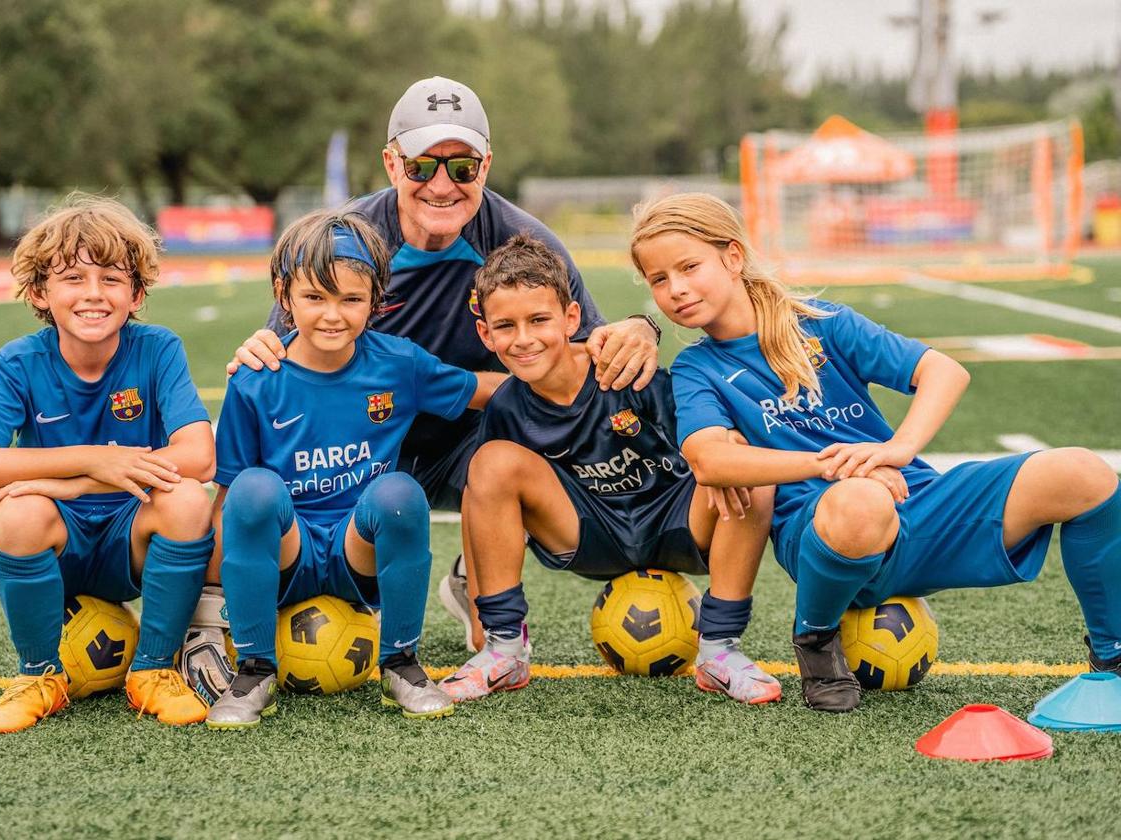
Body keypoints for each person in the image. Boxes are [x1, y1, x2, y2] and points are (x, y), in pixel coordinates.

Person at [629, 192, 1121, 713]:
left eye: (689, 267)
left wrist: (897, 448)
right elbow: (709, 460)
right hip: (830, 533)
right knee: (860, 499)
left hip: (916, 502)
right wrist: (832, 464)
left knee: (1085, 474)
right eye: (659, 280)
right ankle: (816, 637)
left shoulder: (823, 323)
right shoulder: (697, 369)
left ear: (731, 256)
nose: (676, 288)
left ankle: (1112, 657)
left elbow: (944, 371)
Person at [230, 77, 660, 651]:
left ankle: (487, 596)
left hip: (468, 432)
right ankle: (247, 605)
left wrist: (641, 328)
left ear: (486, 166)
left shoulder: (523, 242)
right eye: (421, 166)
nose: (441, 185)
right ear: (391, 163)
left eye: (462, 168)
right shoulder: (347, 243)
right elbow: (285, 356)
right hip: (357, 443)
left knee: (557, 424)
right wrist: (258, 348)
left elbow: (584, 356)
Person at [438, 233, 780, 705]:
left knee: (745, 465)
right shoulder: (508, 408)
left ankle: (720, 648)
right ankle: (507, 652)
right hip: (589, 535)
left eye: (538, 320)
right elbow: (482, 509)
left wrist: (730, 448)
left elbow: (707, 442)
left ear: (571, 318)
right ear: (486, 334)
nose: (523, 339)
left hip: (677, 522)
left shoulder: (623, 369)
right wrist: (484, 620)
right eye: (505, 326)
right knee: (490, 463)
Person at [206, 209, 494, 728]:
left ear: (376, 300)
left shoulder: (398, 363)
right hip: (287, 556)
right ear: (284, 295)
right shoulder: (255, 380)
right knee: (253, 489)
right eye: (315, 296)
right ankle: (252, 668)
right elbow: (229, 502)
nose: (332, 315)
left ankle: (402, 662)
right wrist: (203, 612)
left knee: (399, 492)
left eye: (351, 299)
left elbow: (482, 392)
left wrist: (570, 379)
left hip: (356, 554)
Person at [0, 195, 215, 732]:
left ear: (136, 293)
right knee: (15, 515)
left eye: (112, 280)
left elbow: (199, 457)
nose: (93, 294)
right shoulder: (18, 362)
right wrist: (91, 465)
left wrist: (73, 479)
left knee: (188, 500)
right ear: (40, 292)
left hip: (130, 532)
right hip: (61, 540)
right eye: (73, 278)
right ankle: (39, 676)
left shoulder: (157, 349)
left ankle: (153, 671)